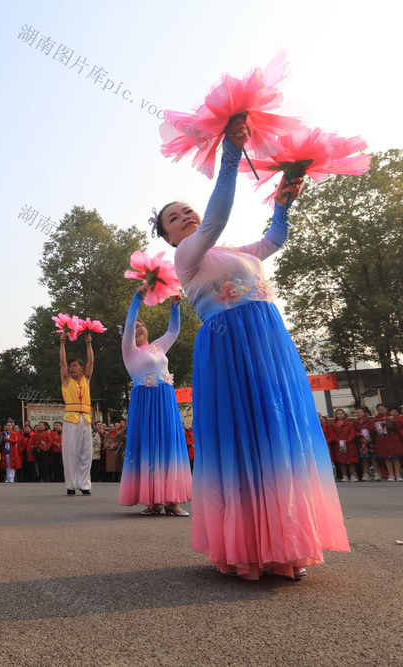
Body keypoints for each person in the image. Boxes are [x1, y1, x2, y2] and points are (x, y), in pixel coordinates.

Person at [153, 115, 348, 579]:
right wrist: (230, 153)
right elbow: (216, 216)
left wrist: (283, 202)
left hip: (269, 343)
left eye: (186, 209)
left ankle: (285, 544)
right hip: (228, 346)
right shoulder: (188, 257)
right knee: (242, 439)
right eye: (174, 218)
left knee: (277, 435)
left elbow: (275, 239)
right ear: (169, 237)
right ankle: (245, 547)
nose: (186, 215)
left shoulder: (239, 253)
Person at [118, 285, 191, 515]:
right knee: (149, 447)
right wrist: (137, 296)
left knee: (169, 445)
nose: (137, 328)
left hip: (165, 400)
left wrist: (175, 307)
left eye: (141, 325)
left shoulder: (159, 346)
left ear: (148, 330)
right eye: (134, 326)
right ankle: (152, 500)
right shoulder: (130, 351)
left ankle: (172, 500)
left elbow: (174, 331)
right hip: (145, 403)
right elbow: (129, 324)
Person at [59, 331, 95, 495]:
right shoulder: (66, 379)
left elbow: (91, 361)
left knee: (86, 453)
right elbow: (62, 362)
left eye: (75, 366)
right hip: (71, 419)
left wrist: (88, 343)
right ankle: (71, 485)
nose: (72, 368)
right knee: (70, 453)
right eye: (71, 366)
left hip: (86, 419)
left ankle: (85, 485)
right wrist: (62, 343)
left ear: (81, 368)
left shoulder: (86, 378)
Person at [372, 404, 403, 481]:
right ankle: (391, 474)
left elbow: (398, 426)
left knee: (395, 457)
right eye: (379, 410)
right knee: (387, 458)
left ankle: (398, 474)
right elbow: (372, 429)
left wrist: (390, 422)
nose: (381, 411)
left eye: (383, 409)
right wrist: (380, 424)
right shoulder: (376, 419)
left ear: (386, 409)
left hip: (393, 440)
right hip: (382, 440)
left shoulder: (393, 417)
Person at [328, 409, 359, 482]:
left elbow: (352, 433)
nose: (340, 415)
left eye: (341, 413)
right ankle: (344, 475)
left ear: (344, 414)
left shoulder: (350, 423)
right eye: (338, 414)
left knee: (351, 461)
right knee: (341, 461)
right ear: (336, 415)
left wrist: (348, 440)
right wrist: (338, 441)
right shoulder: (332, 424)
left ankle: (352, 475)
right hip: (338, 445)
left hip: (350, 444)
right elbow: (332, 434)